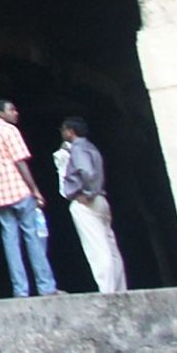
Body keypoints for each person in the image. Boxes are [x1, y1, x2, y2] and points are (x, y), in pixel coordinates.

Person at [0, 99, 57, 297]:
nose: (16, 113)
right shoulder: (9, 131)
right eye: (11, 110)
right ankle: (46, 287)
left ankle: (20, 290)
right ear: (0, 113)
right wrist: (35, 189)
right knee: (32, 236)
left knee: (10, 242)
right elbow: (20, 162)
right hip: (19, 190)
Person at [57, 117, 128, 293]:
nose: (62, 132)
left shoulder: (78, 149)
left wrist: (87, 193)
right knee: (111, 248)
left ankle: (107, 291)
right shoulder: (90, 147)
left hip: (87, 203)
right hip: (101, 200)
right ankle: (119, 289)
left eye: (63, 130)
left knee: (97, 248)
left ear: (70, 132)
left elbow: (87, 172)